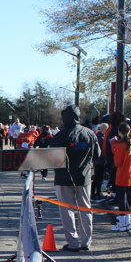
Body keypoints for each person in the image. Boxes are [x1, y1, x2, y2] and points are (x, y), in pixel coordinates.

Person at [51, 105, 98, 251]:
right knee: (85, 208)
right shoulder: (89, 133)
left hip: (64, 178)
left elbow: (53, 157)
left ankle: (72, 242)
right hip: (84, 177)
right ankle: (86, 241)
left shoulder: (61, 135)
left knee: (67, 210)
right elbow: (97, 154)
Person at [110, 122, 131, 233]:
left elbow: (117, 162)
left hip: (122, 175)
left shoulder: (120, 145)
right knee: (126, 199)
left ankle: (123, 223)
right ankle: (127, 222)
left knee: (122, 200)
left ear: (119, 132)